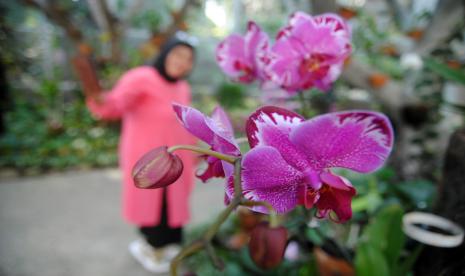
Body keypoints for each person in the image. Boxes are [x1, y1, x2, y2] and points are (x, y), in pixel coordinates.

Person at [83, 32, 197, 273]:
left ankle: (169, 246)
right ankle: (151, 249)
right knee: (155, 205)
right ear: (165, 53)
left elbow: (184, 122)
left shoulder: (183, 86)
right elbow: (113, 106)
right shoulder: (141, 77)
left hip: (178, 158)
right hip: (149, 158)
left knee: (173, 206)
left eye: (189, 58)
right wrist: (99, 98)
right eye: (178, 54)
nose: (183, 62)